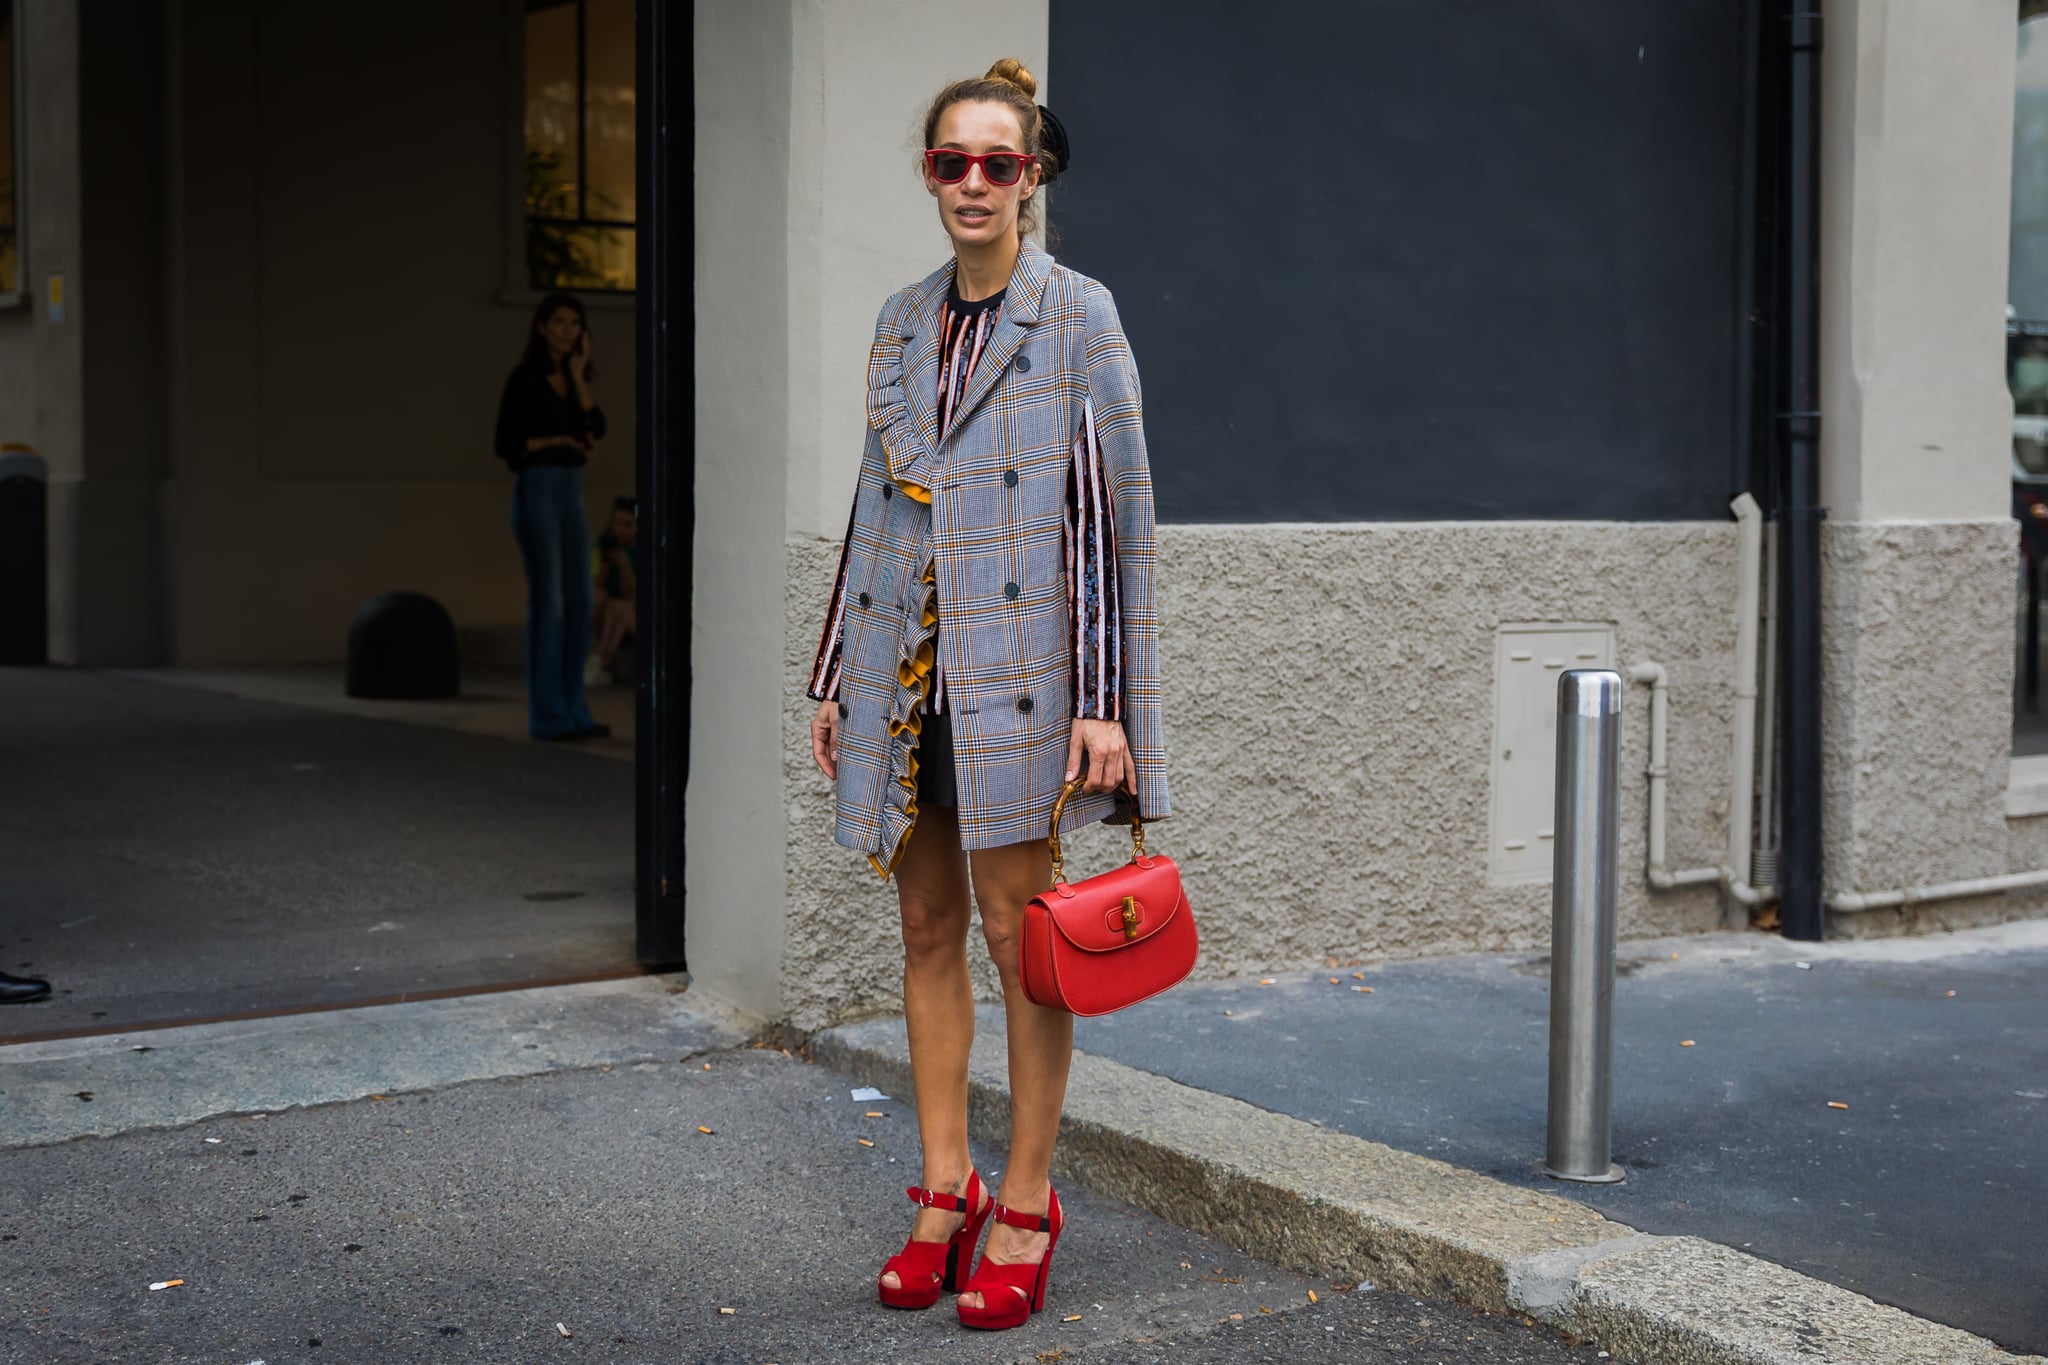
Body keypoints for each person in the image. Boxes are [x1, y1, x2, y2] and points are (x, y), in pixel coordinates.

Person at [806, 58, 1168, 1331]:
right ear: (928, 173)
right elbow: (870, 502)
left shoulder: (1074, 316)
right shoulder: (903, 318)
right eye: (950, 163)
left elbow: (1113, 519)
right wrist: (831, 676)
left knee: (1023, 946)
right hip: (905, 667)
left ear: (1033, 176)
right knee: (921, 929)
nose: (972, 184)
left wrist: (1108, 701)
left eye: (996, 165)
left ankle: (1025, 1199)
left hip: (1021, 676)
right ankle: (941, 1192)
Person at [494, 293, 611, 742]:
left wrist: (579, 378)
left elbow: (596, 427)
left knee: (581, 602)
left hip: (571, 491)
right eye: (559, 321)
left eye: (574, 323)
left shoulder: (573, 377)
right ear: (542, 327)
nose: (567, 330)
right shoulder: (523, 379)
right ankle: (548, 716)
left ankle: (575, 712)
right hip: (537, 487)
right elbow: (507, 445)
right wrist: (554, 441)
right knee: (551, 604)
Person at [588, 495, 637, 685]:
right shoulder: (603, 545)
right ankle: (603, 660)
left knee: (620, 607)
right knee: (600, 599)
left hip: (631, 611)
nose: (622, 530)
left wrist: (625, 567)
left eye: (628, 524)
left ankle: (601, 660)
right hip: (610, 614)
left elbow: (633, 595)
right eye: (617, 523)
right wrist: (605, 566)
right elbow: (596, 585)